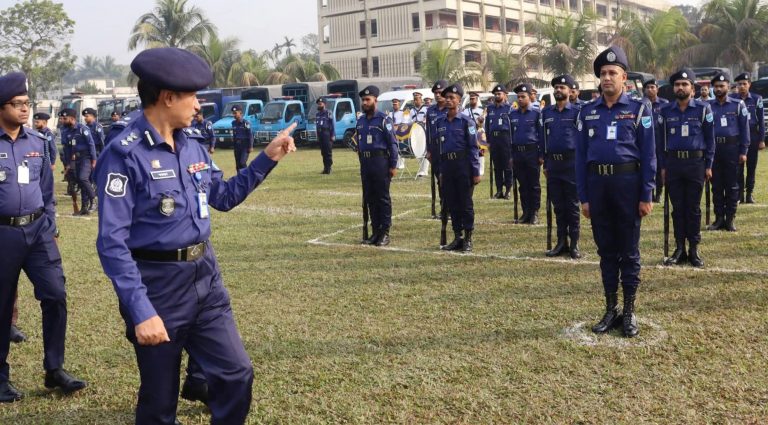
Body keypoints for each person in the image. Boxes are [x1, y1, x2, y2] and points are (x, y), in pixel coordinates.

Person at [94, 47, 297, 425]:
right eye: (191, 96)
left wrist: (267, 158)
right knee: (159, 403)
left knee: (236, 374)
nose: (198, 105)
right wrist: (141, 311)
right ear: (167, 97)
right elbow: (111, 242)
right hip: (158, 288)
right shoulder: (123, 155)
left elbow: (223, 196)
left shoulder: (192, 145)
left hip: (206, 279)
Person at [0, 71, 87, 403]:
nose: (24, 109)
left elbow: (47, 193)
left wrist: (50, 229)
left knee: (55, 295)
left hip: (38, 233)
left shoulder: (38, 143)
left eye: (27, 103)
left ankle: (55, 369)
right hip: (3, 234)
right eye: (17, 104)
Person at [576, 46, 656, 338]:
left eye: (613, 73)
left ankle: (630, 311)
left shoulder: (638, 109)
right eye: (603, 74)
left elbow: (648, 155)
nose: (607, 78)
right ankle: (611, 309)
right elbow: (580, 158)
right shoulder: (587, 112)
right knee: (606, 251)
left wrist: (647, 194)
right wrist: (583, 197)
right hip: (598, 189)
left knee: (629, 253)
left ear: (624, 77)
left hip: (628, 188)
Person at [657, 69, 715, 268]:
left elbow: (710, 139)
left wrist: (709, 164)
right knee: (677, 208)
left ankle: (694, 249)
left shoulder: (703, 109)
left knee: (693, 208)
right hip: (673, 164)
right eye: (677, 85)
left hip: (695, 164)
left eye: (684, 84)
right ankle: (679, 247)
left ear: (692, 87)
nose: (680, 88)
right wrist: (663, 167)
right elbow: (660, 143)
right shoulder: (665, 111)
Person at [436, 83, 481, 252]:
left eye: (451, 98)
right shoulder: (440, 122)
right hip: (447, 166)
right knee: (452, 203)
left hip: (463, 166)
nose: (448, 100)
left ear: (459, 100)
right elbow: (440, 149)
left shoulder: (466, 122)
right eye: (446, 97)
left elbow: (473, 148)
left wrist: (475, 171)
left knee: (465, 204)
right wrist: (441, 171)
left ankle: (468, 237)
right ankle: (458, 236)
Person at [541, 75, 582, 259]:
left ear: (569, 91)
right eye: (556, 87)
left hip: (571, 163)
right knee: (558, 205)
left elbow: (582, 140)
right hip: (554, 164)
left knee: (572, 206)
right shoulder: (547, 112)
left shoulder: (577, 112)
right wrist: (545, 163)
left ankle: (574, 243)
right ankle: (561, 242)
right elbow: (543, 139)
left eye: (562, 87)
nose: (558, 90)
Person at [356, 85, 398, 246]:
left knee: (382, 198)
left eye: (368, 99)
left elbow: (392, 144)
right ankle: (375, 231)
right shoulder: (360, 121)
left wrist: (393, 165)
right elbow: (359, 144)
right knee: (370, 198)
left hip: (380, 162)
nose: (365, 103)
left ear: (375, 100)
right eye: (363, 100)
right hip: (366, 163)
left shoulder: (383, 119)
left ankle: (385, 232)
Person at [708, 72, 749, 232]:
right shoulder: (708, 107)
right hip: (714, 150)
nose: (719, 89)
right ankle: (719, 219)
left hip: (732, 149)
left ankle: (730, 219)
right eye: (716, 86)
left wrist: (743, 150)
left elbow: (745, 130)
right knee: (716, 186)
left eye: (722, 86)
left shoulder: (738, 105)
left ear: (728, 87)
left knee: (732, 185)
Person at [730, 73, 765, 203]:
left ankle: (749, 194)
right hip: (737, 137)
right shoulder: (732, 99)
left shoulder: (757, 99)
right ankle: (739, 195)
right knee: (738, 167)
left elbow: (761, 121)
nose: (742, 86)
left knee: (751, 166)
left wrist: (761, 139)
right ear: (736, 86)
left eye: (745, 84)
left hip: (753, 136)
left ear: (749, 84)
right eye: (739, 84)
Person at [510, 83, 543, 224]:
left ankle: (534, 212)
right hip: (518, 153)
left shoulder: (536, 114)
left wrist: (541, 155)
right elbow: (511, 137)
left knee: (533, 184)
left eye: (523, 96)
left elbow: (541, 135)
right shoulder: (512, 115)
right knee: (522, 184)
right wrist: (511, 156)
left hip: (532, 152)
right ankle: (526, 212)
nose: (520, 99)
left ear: (530, 97)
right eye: (518, 97)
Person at [59, 108, 97, 215]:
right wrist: (67, 164)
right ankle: (84, 207)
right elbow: (67, 149)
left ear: (71, 118)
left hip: (86, 157)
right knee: (80, 182)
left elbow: (91, 144)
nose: (63, 120)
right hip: (76, 159)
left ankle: (93, 200)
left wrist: (94, 159)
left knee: (83, 178)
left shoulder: (82, 129)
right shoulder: (66, 131)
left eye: (65, 118)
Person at [485, 84, 514, 199]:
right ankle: (499, 190)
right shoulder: (490, 108)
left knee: (507, 165)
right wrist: (488, 140)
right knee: (497, 166)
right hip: (494, 139)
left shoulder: (510, 108)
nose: (497, 95)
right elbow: (487, 125)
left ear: (504, 95)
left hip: (505, 138)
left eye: (499, 93)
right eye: (495, 94)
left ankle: (508, 190)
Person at [643, 79, 670, 203]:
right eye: (648, 87)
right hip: (645, 142)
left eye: (652, 87)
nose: (650, 89)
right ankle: (649, 192)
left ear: (657, 89)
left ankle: (658, 193)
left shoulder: (665, 104)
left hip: (660, 142)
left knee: (660, 169)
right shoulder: (641, 104)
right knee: (647, 168)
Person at [315, 98, 335, 174]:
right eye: (318, 104)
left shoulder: (328, 113)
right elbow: (317, 125)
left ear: (324, 104)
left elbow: (332, 124)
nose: (319, 105)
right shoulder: (317, 114)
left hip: (327, 133)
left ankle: (329, 168)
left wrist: (332, 135)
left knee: (328, 152)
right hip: (320, 134)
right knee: (323, 152)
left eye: (320, 104)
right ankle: (325, 168)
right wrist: (317, 135)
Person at [231, 104, 253, 171]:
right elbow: (234, 135)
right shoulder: (233, 123)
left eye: (235, 113)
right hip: (237, 146)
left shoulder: (246, 123)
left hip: (245, 145)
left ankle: (246, 177)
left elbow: (250, 135)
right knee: (238, 164)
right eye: (233, 113)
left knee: (242, 163)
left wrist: (251, 146)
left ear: (240, 113)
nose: (234, 115)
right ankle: (239, 179)